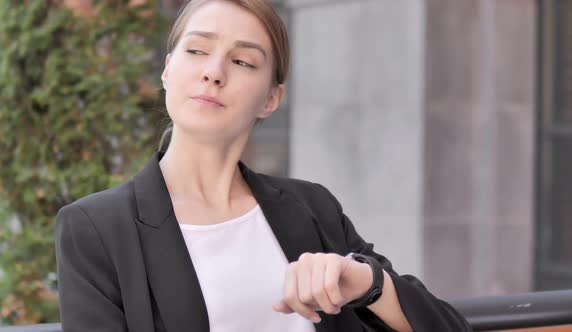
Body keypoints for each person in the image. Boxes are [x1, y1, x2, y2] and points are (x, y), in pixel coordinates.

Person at [54, 0, 472, 331]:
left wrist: (366, 282)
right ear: (168, 71)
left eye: (243, 62)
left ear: (271, 99)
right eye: (197, 51)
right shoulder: (96, 227)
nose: (213, 72)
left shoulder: (311, 207)